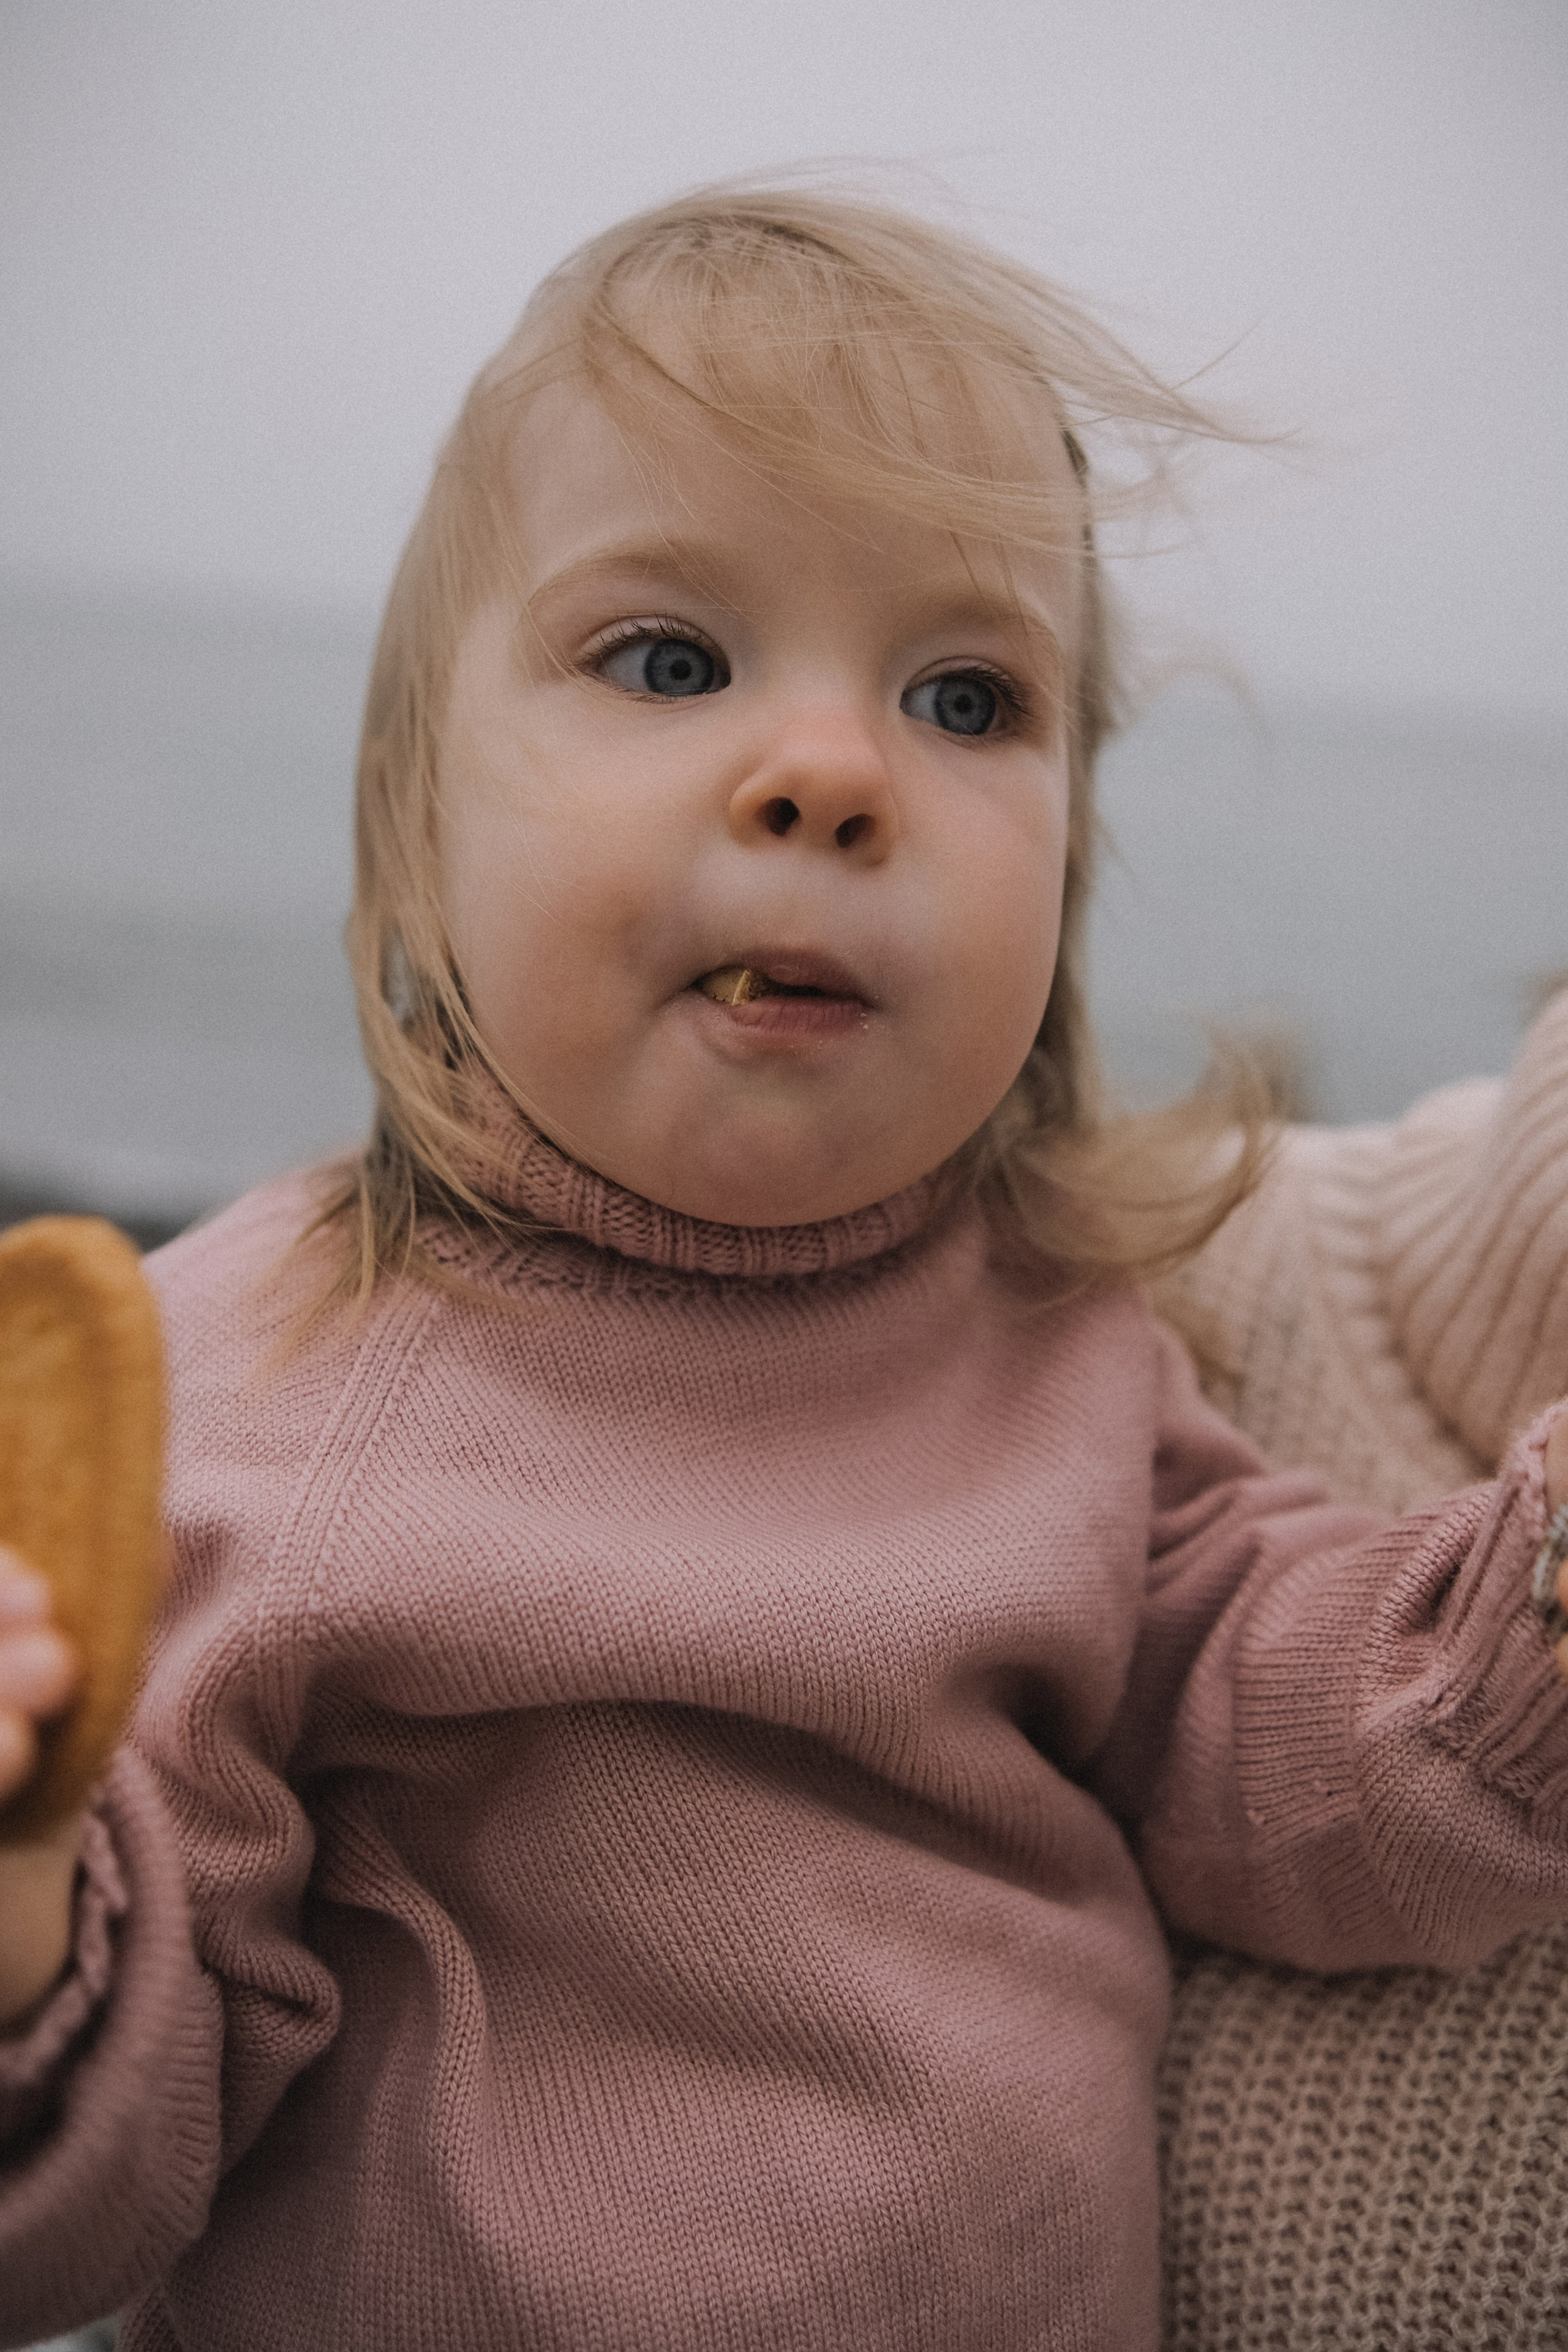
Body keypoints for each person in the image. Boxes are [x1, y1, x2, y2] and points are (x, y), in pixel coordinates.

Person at [1, 184, 1564, 2352]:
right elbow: (92, 2178)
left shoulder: (1062, 1343)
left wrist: (1528, 1617)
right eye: (667, 658)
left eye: (962, 694)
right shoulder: (262, 1392)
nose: (831, 775)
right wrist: (21, 1906)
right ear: (412, 814)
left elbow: (1268, 1748)